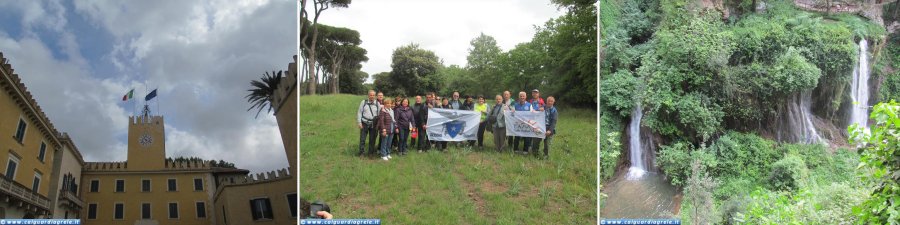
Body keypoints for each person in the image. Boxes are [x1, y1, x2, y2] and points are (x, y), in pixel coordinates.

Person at [357, 90, 382, 156]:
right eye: (371, 95)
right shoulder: (363, 102)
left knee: (372, 139)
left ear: (375, 96)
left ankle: (370, 153)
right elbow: (359, 112)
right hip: (364, 123)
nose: (372, 96)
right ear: (368, 95)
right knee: (362, 139)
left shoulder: (377, 103)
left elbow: (380, 114)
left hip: (374, 124)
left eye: (373, 95)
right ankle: (361, 153)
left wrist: (379, 124)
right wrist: (359, 122)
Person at [529, 89, 545, 154]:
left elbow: (544, 108)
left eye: (536, 93)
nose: (535, 94)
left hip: (538, 121)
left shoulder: (541, 101)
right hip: (531, 120)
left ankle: (535, 149)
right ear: (532, 94)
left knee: (537, 134)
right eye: (533, 93)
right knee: (530, 134)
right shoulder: (530, 101)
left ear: (538, 94)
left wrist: (538, 109)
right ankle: (530, 147)